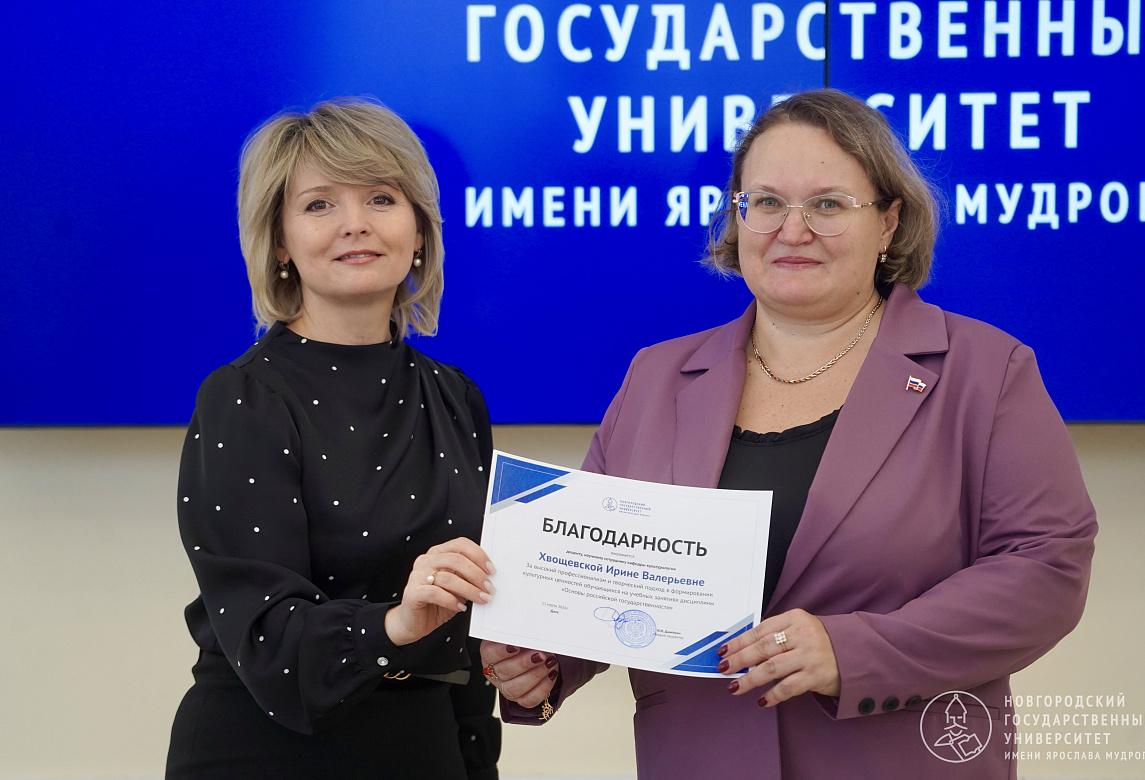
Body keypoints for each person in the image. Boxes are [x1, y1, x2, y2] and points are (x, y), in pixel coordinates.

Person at [481, 89, 1096, 779]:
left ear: (889, 222)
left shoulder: (984, 371)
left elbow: (1046, 567)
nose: (792, 230)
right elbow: (602, 571)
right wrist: (542, 661)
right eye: (767, 202)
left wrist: (852, 651)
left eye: (827, 204)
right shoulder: (655, 377)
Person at [166, 98, 500, 780]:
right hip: (266, 753)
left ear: (418, 229)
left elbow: (470, 626)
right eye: (319, 204)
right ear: (279, 242)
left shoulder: (456, 397)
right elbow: (265, 633)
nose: (355, 224)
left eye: (381, 198)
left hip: (425, 747)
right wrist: (396, 624)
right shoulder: (242, 398)